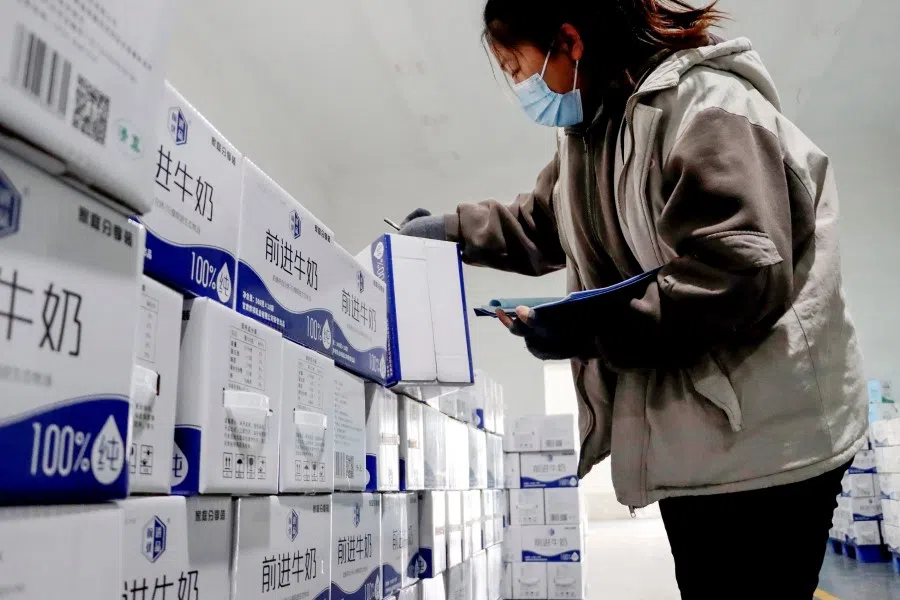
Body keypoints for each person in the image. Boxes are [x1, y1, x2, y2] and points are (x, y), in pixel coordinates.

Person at [399, 0, 867, 597]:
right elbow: (546, 222)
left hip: (769, 438)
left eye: (518, 68)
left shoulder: (706, 106)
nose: (520, 88)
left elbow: (738, 273)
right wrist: (451, 232)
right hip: (704, 435)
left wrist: (591, 330)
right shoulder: (595, 135)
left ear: (570, 42)